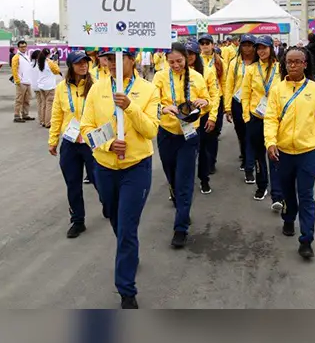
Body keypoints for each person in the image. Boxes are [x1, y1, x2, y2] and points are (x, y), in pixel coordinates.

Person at [80, 50, 160, 309]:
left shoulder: (148, 89)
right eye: (107, 58)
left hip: (136, 168)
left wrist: (130, 106)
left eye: (118, 58)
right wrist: (109, 145)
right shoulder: (97, 89)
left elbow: (150, 130)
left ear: (132, 60)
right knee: (115, 219)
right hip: (104, 168)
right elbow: (86, 129)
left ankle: (126, 290)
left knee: (126, 227)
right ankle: (129, 250)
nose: (112, 63)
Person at [264, 45, 315, 259]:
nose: (293, 65)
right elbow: (270, 118)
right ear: (284, 65)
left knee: (306, 195)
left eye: (297, 61)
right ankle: (288, 217)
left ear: (305, 64)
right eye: (289, 62)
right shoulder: (277, 90)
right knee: (287, 192)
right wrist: (270, 143)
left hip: (307, 153)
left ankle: (306, 240)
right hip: (283, 153)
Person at [153, 42, 210, 248]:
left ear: (187, 59)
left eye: (179, 61)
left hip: (189, 134)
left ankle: (180, 227)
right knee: (172, 175)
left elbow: (207, 99)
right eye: (171, 62)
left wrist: (204, 104)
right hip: (167, 133)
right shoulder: (160, 76)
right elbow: (152, 102)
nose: (176, 65)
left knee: (185, 179)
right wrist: (162, 108)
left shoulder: (196, 77)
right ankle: (180, 206)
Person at [49, 51, 98, 239]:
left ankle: (108, 205)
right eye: (78, 63)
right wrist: (53, 140)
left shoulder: (96, 86)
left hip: (91, 141)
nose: (83, 65)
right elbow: (56, 115)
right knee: (73, 184)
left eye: (85, 62)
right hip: (70, 142)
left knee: (99, 180)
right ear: (71, 66)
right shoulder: (61, 88)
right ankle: (78, 221)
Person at [241, 35, 285, 209]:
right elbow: (245, 94)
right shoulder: (251, 70)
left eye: (264, 47)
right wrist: (247, 117)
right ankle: (261, 186)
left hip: (275, 119)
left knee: (274, 155)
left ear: (271, 48)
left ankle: (277, 195)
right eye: (258, 48)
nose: (261, 51)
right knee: (259, 155)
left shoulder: (280, 68)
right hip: (256, 118)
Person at [224, 34, 257, 174]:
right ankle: (245, 156)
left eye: (250, 45)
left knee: (253, 133)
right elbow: (229, 85)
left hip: (254, 104)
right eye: (244, 45)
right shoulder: (234, 63)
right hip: (238, 103)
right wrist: (227, 107)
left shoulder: (260, 63)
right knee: (242, 133)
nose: (247, 48)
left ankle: (253, 159)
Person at [197, 34, 224, 190]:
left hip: (215, 101)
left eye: (207, 43)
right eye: (202, 43)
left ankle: (211, 161)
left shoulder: (220, 62)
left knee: (212, 134)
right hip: (199, 104)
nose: (205, 46)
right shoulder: (195, 60)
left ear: (213, 45)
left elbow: (225, 83)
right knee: (200, 137)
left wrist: (226, 106)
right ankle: (202, 163)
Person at [33, 48, 61, 128]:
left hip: (41, 85)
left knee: (43, 104)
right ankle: (48, 122)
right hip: (49, 86)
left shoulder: (40, 62)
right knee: (49, 105)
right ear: (48, 54)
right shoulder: (50, 62)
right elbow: (57, 71)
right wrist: (55, 62)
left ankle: (42, 121)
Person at [12, 40, 35, 122]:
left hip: (28, 81)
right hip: (21, 82)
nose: (23, 48)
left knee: (27, 100)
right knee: (19, 99)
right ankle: (17, 115)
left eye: (25, 46)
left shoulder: (27, 56)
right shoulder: (16, 57)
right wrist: (17, 80)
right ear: (18, 48)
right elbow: (14, 69)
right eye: (21, 47)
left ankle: (25, 114)